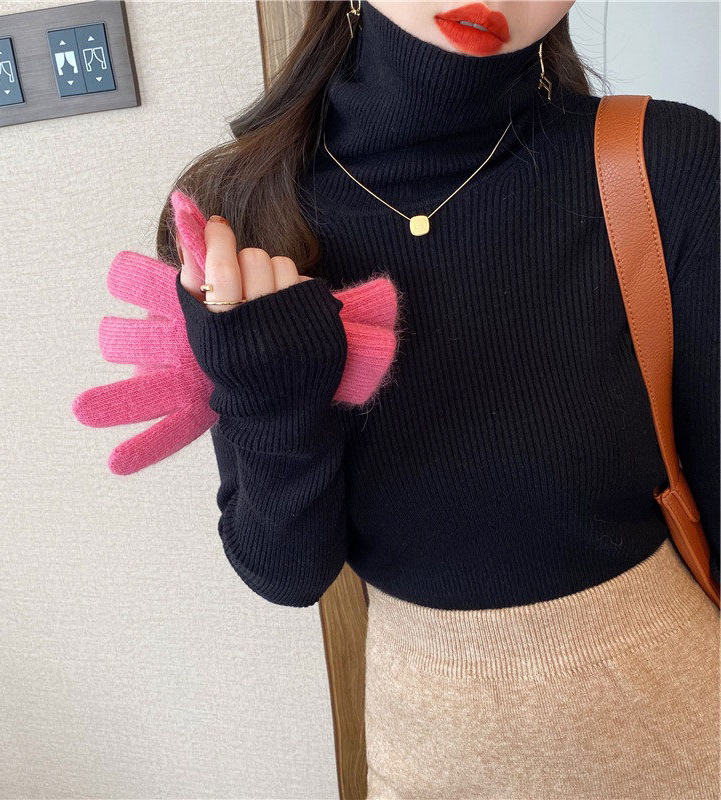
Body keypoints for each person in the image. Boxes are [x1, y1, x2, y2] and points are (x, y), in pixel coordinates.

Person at [161, 2, 720, 797]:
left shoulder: (666, 164)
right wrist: (276, 406)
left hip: (686, 744)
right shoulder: (243, 211)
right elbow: (287, 573)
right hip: (425, 760)